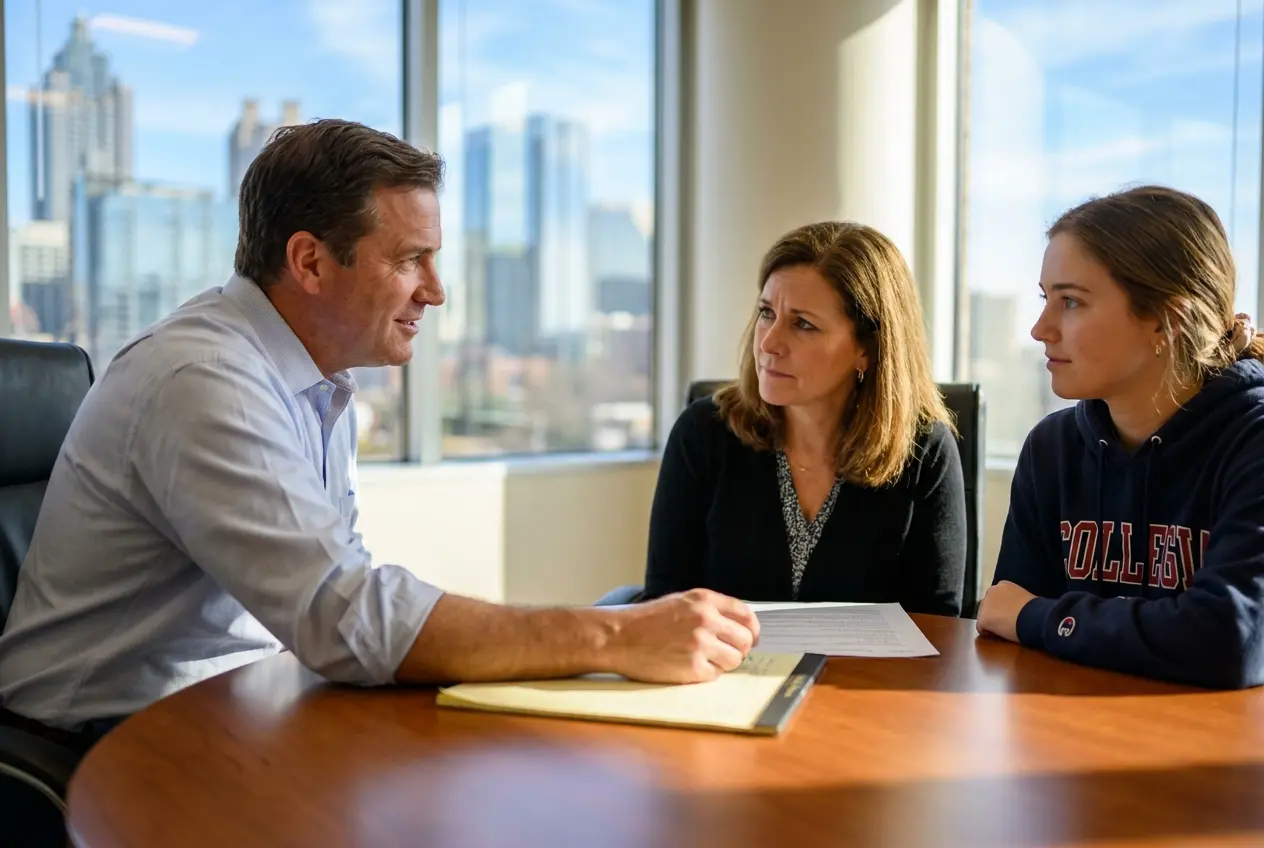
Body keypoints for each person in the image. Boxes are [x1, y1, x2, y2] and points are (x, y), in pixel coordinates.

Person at [0, 120, 760, 752]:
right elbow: (347, 617)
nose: (435, 289)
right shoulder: (201, 381)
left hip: (235, 708)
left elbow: (340, 601)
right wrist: (615, 636)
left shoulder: (320, 383)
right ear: (309, 262)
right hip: (93, 742)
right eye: (409, 259)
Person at [977, 184, 1264, 689]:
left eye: (1070, 302)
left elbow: (1228, 642)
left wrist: (1046, 620)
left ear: (1166, 320)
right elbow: (1002, 620)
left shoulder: (1253, 441)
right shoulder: (1053, 448)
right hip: (1072, 740)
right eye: (1046, 298)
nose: (1040, 329)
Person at [643, 222, 966, 614]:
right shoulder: (705, 432)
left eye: (803, 324)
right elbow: (664, 606)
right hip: (728, 674)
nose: (768, 342)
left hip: (869, 677)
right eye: (767, 313)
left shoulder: (923, 452)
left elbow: (937, 627)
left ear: (867, 349)